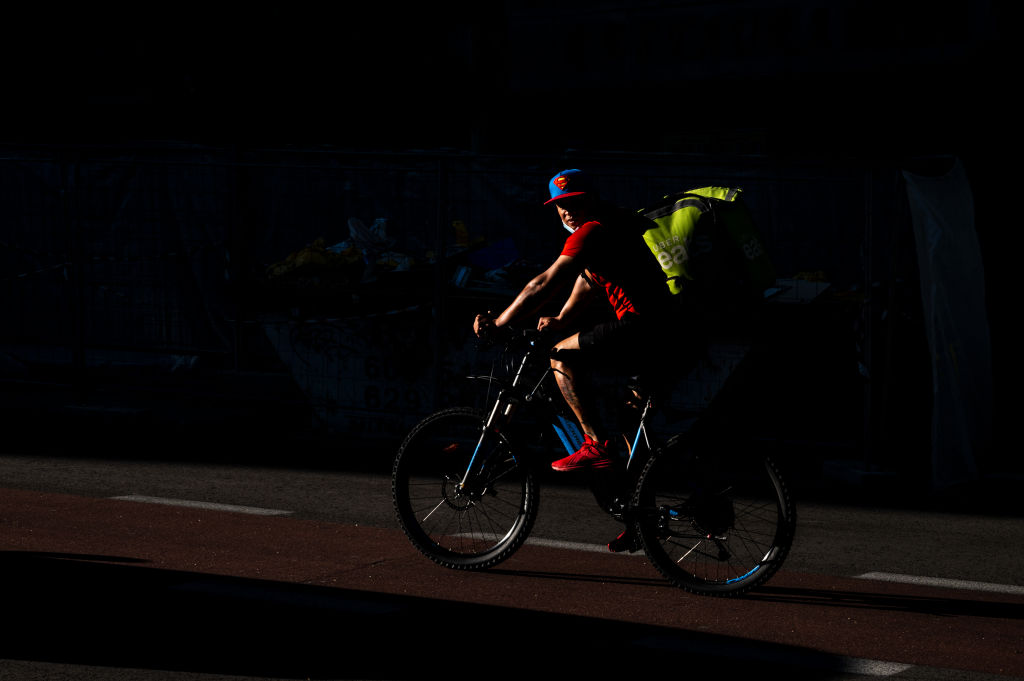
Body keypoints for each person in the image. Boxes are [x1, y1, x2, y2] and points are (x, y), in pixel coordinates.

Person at [473, 169, 681, 495]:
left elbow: (544, 282)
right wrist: (560, 318)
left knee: (560, 355)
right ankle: (641, 511)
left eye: (574, 202)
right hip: (658, 327)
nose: (567, 210)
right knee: (628, 419)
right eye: (560, 205)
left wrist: (500, 323)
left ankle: (595, 444)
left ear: (590, 199)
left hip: (639, 326)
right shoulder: (612, 224)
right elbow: (589, 280)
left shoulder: (591, 232)